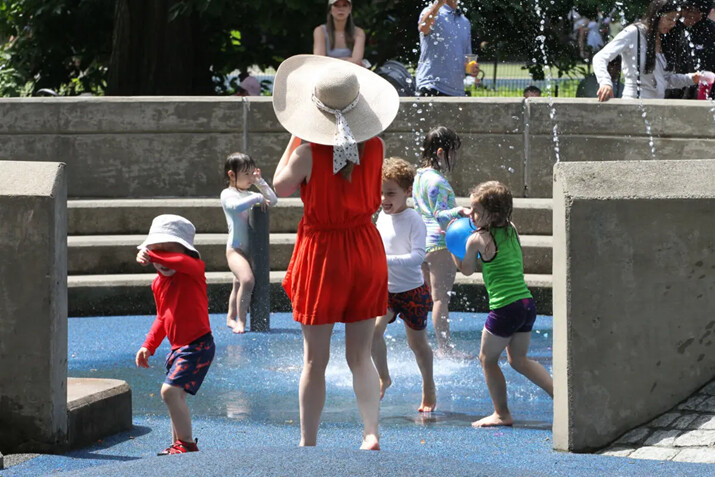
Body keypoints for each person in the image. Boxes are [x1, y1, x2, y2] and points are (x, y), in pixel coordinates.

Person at [271, 54, 399, 450]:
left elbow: (279, 186)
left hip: (323, 251)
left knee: (314, 360)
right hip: (363, 246)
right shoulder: (376, 146)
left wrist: (295, 134)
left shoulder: (307, 152)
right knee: (360, 355)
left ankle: (308, 441)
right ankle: (370, 433)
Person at [451, 181, 553, 428]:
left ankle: (501, 413)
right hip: (526, 304)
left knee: (487, 360)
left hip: (505, 308)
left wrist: (452, 245)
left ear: (492, 214)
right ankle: (561, 397)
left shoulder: (478, 239)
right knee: (519, 360)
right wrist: (467, 213)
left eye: (475, 211)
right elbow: (483, 218)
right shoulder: (511, 228)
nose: (471, 214)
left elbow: (465, 270)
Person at [134, 215, 215, 454]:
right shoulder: (158, 284)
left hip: (197, 345)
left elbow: (182, 261)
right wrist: (149, 345)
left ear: (185, 252)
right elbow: (162, 317)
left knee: (169, 391)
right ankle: (178, 445)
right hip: (178, 348)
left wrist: (151, 253)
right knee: (175, 397)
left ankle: (186, 444)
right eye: (156, 251)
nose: (162, 259)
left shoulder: (193, 271)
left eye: (168, 251)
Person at [372, 157, 436, 412]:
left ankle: (428, 385)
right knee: (372, 334)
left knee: (417, 345)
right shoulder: (381, 217)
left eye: (390, 193)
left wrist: (383, 260)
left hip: (412, 292)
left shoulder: (413, 220)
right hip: (386, 291)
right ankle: (384, 376)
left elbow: (418, 257)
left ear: (408, 192)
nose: (384, 199)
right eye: (380, 193)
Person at [412, 126, 470, 359]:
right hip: (439, 242)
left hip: (421, 242)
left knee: (429, 298)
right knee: (440, 299)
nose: (454, 157)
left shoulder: (419, 177)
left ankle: (425, 345)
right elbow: (440, 215)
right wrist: (462, 211)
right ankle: (445, 349)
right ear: (439, 152)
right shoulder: (437, 181)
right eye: (452, 152)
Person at [593, 0, 707, 101]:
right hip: (635, 104)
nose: (673, 24)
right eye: (669, 19)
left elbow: (664, 80)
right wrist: (605, 83)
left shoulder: (663, 38)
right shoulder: (634, 32)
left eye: (676, 20)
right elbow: (600, 57)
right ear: (656, 15)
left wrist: (691, 78)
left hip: (657, 107)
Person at [221, 152, 278, 333]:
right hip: (235, 249)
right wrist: (258, 197)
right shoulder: (227, 194)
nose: (249, 178)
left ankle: (230, 316)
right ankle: (241, 321)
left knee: (238, 284)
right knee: (246, 280)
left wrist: (260, 183)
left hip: (250, 249)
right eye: (246, 174)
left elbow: (274, 200)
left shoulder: (251, 193)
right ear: (232, 174)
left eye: (252, 173)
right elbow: (235, 207)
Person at [416, 0, 479, 96]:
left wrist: (472, 68)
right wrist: (436, 7)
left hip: (457, 91)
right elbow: (423, 28)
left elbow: (467, 58)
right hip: (431, 86)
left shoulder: (465, 22)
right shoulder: (431, 11)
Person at [313, 0, 366, 67]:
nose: (341, 9)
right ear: (330, 10)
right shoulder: (320, 31)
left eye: (344, 5)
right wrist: (348, 59)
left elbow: (357, 61)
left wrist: (330, 60)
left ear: (350, 9)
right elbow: (319, 60)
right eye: (336, 5)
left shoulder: (358, 32)